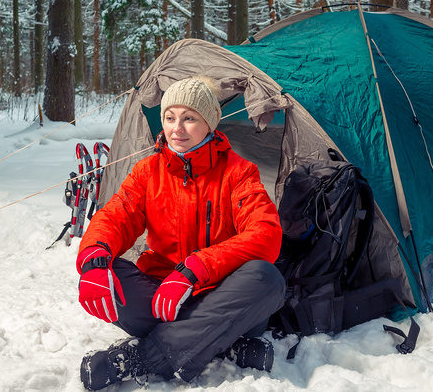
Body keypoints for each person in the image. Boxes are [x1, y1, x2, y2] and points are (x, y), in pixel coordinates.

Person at [75, 76, 286, 390]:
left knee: (266, 278)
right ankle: (219, 341)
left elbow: (265, 233)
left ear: (210, 123)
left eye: (190, 118)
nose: (177, 128)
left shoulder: (238, 172)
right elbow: (115, 216)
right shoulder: (148, 172)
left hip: (222, 293)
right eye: (170, 118)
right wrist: (92, 260)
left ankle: (144, 358)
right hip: (163, 295)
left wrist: (196, 269)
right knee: (108, 272)